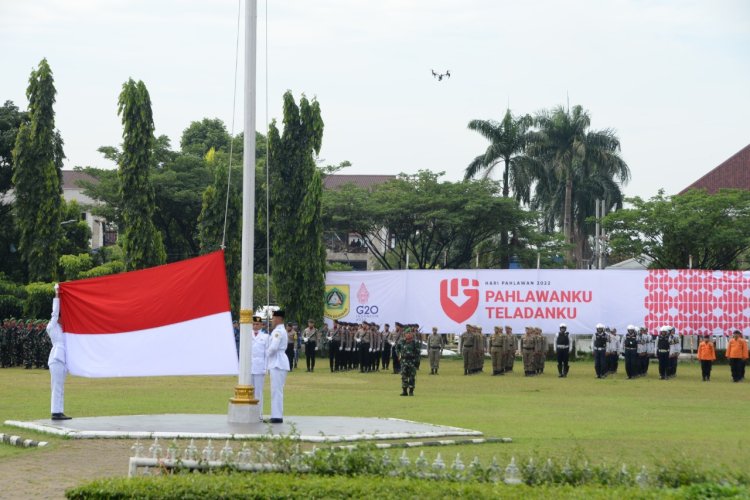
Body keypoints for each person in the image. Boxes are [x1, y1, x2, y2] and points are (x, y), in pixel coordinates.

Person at [47, 284, 70, 420]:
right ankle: (55, 412)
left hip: (62, 359)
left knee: (60, 386)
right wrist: (57, 294)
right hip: (56, 358)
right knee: (56, 386)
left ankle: (59, 411)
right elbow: (54, 313)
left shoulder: (63, 329)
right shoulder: (52, 326)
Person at [266, 310, 290, 423]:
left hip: (278, 362)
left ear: (279, 319)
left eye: (273, 318)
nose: (272, 320)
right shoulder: (278, 330)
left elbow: (274, 347)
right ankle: (275, 415)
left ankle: (277, 416)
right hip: (277, 361)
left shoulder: (278, 331)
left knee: (276, 390)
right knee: (276, 390)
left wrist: (265, 354)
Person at [250, 315, 268, 421]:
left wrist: (266, 368)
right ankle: (251, 414)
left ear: (261, 325)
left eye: (257, 324)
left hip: (260, 367)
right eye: (253, 324)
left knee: (258, 392)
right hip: (249, 367)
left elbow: (267, 354)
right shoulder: (247, 335)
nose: (255, 326)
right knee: (249, 392)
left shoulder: (265, 337)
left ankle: (259, 414)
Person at [397, 329, 419, 396]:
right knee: (404, 376)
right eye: (407, 333)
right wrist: (399, 355)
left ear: (412, 334)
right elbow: (397, 348)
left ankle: (411, 391)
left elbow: (418, 353)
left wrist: (417, 362)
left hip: (412, 361)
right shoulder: (401, 341)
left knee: (412, 377)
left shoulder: (415, 342)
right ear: (405, 334)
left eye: (410, 333)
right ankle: (404, 391)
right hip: (404, 361)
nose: (408, 334)